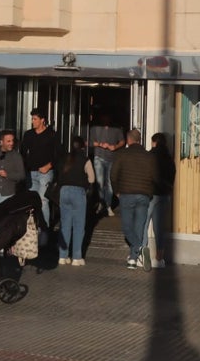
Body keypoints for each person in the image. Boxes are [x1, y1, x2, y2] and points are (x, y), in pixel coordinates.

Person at [110, 129, 156, 269]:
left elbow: (113, 174)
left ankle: (138, 249)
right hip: (143, 196)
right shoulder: (149, 156)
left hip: (127, 194)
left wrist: (116, 191)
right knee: (138, 227)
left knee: (127, 227)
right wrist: (149, 192)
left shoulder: (122, 154)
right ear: (140, 139)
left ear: (128, 140)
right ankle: (133, 259)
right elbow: (154, 177)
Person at [19, 108, 59, 233]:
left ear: (42, 120)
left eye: (35, 119)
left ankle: (44, 231)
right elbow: (22, 152)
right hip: (31, 173)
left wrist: (49, 165)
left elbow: (59, 154)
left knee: (43, 200)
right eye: (32, 119)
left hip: (45, 173)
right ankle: (32, 230)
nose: (32, 121)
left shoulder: (51, 134)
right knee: (32, 202)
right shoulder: (28, 134)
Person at [56, 136, 94, 266]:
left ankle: (62, 256)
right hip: (78, 193)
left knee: (65, 225)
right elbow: (92, 179)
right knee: (78, 226)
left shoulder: (64, 158)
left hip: (64, 192)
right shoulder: (85, 159)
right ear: (83, 146)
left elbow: (59, 174)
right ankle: (77, 257)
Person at [147, 133, 176, 268]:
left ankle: (142, 254)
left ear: (154, 143)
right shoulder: (169, 158)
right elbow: (172, 175)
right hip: (164, 194)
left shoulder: (150, 156)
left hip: (151, 194)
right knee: (159, 228)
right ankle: (159, 258)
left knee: (144, 224)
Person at [89, 112, 124, 216]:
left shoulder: (117, 129)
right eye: (104, 117)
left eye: (107, 117)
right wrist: (99, 144)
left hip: (111, 158)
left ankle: (108, 206)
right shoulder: (94, 128)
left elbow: (122, 141)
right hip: (98, 157)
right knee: (100, 183)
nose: (105, 119)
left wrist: (115, 147)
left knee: (109, 183)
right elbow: (89, 142)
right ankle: (101, 204)